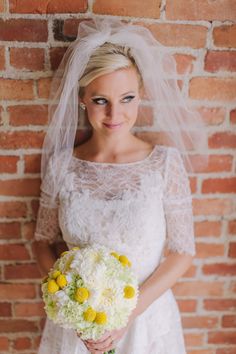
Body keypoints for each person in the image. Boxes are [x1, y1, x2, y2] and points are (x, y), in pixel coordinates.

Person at [33, 18, 207, 354]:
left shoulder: (165, 164)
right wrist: (69, 300)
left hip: (145, 319)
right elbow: (43, 242)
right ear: (83, 98)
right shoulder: (61, 166)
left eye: (127, 98)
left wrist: (128, 314)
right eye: (101, 100)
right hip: (79, 325)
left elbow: (182, 253)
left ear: (141, 95)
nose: (115, 113)